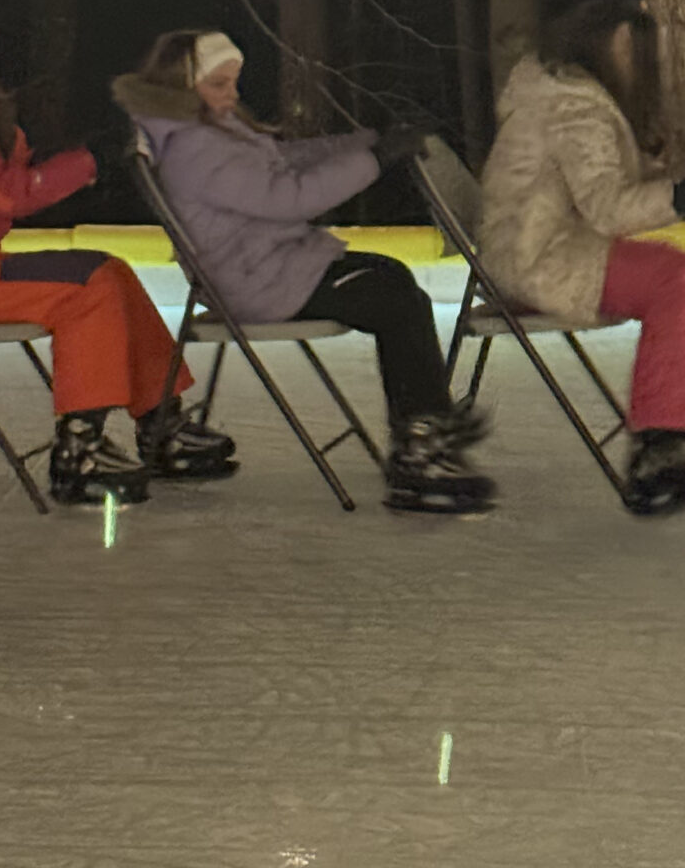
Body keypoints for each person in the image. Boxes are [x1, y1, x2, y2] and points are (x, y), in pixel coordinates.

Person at [0, 0, 230, 507]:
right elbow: (9, 194)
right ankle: (78, 452)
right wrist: (88, 161)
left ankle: (161, 422)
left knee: (112, 270)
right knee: (90, 288)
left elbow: (10, 176)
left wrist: (73, 149)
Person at [115, 30, 495, 515]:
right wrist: (373, 162)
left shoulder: (207, 129)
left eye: (234, 81)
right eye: (219, 83)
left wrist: (368, 142)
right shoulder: (195, 148)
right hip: (260, 281)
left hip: (267, 266)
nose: (232, 94)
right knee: (395, 301)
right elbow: (288, 198)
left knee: (390, 278)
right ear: (182, 86)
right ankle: (421, 451)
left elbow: (284, 161)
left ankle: (424, 427)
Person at [478, 0, 685, 514]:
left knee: (673, 273)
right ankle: (659, 437)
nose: (641, 65)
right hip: (541, 259)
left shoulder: (566, 93)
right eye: (636, 51)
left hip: (535, 248)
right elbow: (608, 209)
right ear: (613, 46)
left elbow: (611, 181)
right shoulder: (574, 107)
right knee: (682, 279)